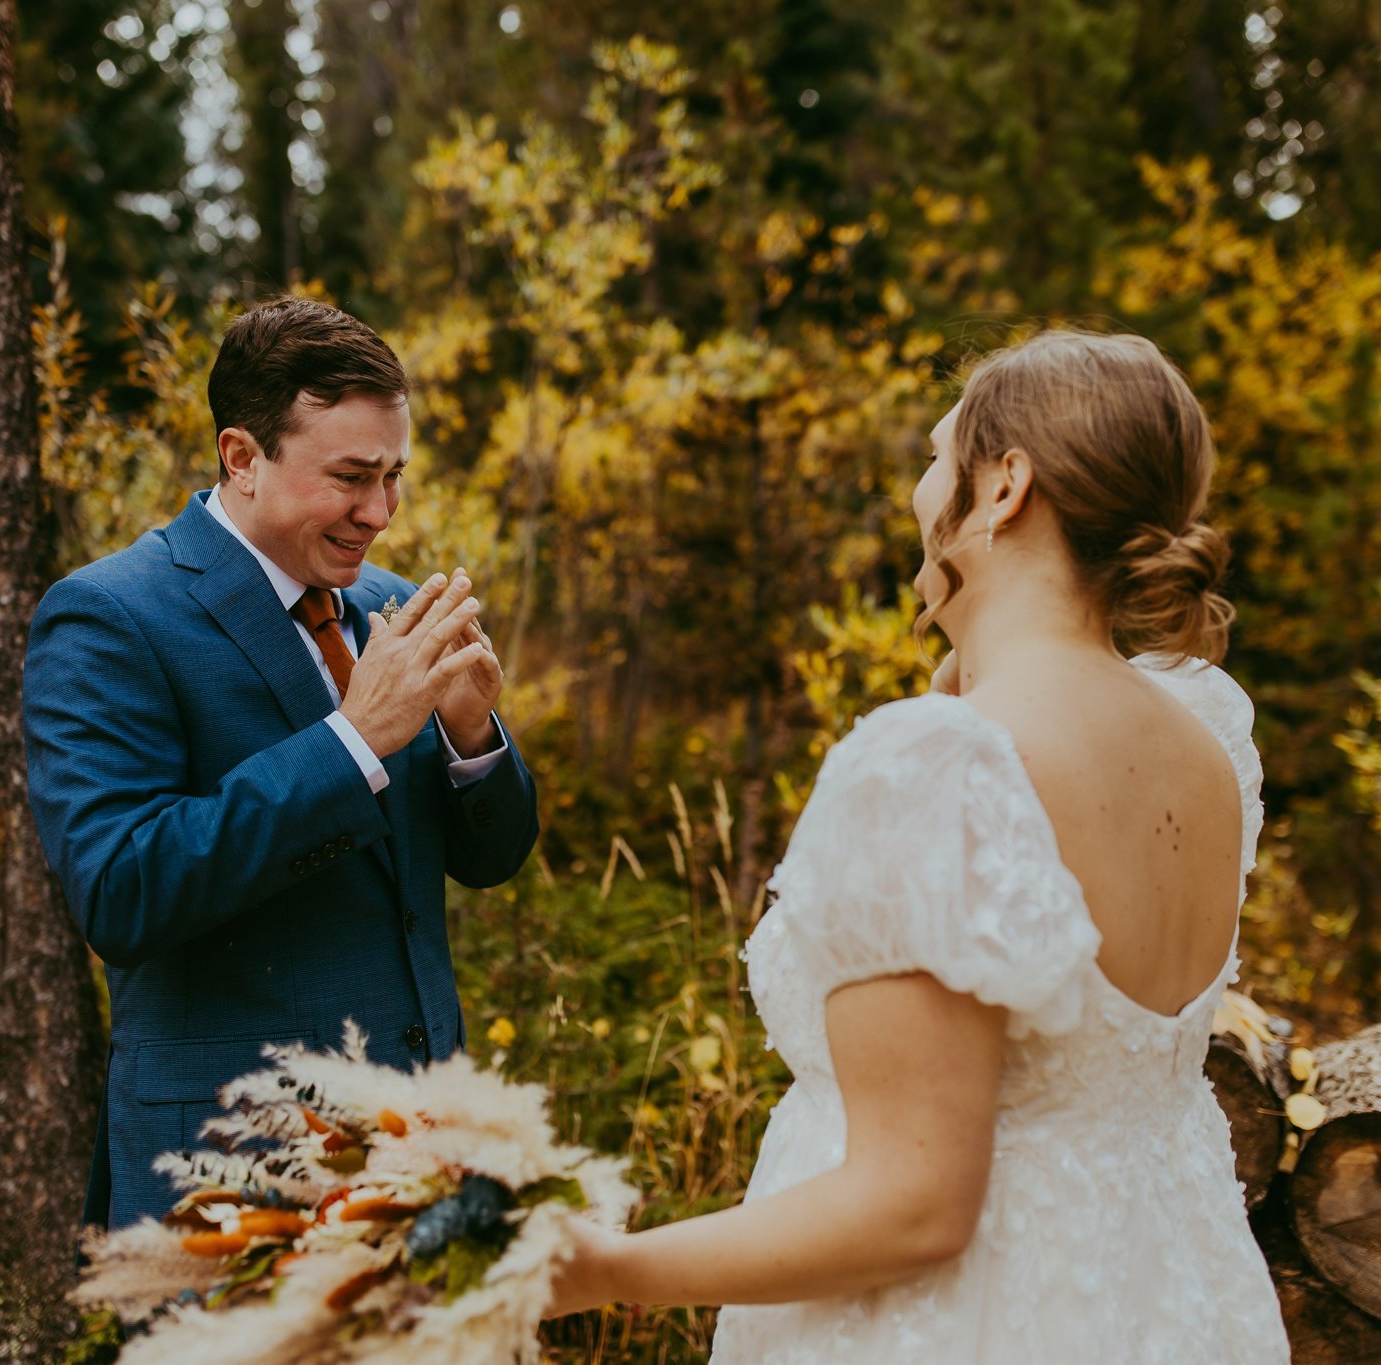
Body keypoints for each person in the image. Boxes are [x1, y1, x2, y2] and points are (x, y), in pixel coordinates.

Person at [547, 330, 1289, 1361]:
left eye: (938, 459)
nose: (918, 493)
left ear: (1002, 488)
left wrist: (604, 1270)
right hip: (1168, 1303)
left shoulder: (939, 765)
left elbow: (912, 1207)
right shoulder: (1199, 734)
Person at [23, 298, 541, 1229]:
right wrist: (353, 743)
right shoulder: (108, 616)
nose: (379, 512)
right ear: (242, 458)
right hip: (234, 1166)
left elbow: (489, 859)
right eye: (350, 477)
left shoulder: (385, 604)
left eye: (394, 476)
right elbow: (120, 892)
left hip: (423, 1149)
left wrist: (473, 737)